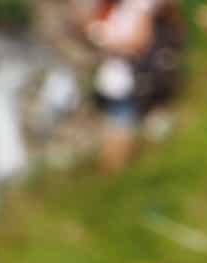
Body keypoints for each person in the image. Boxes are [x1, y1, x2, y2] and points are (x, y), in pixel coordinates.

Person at [75, 0, 184, 173]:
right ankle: (119, 180)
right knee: (117, 135)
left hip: (133, 83)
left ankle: (118, 181)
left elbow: (138, 42)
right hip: (117, 84)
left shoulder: (137, 6)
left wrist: (102, 38)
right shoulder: (114, 8)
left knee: (121, 136)